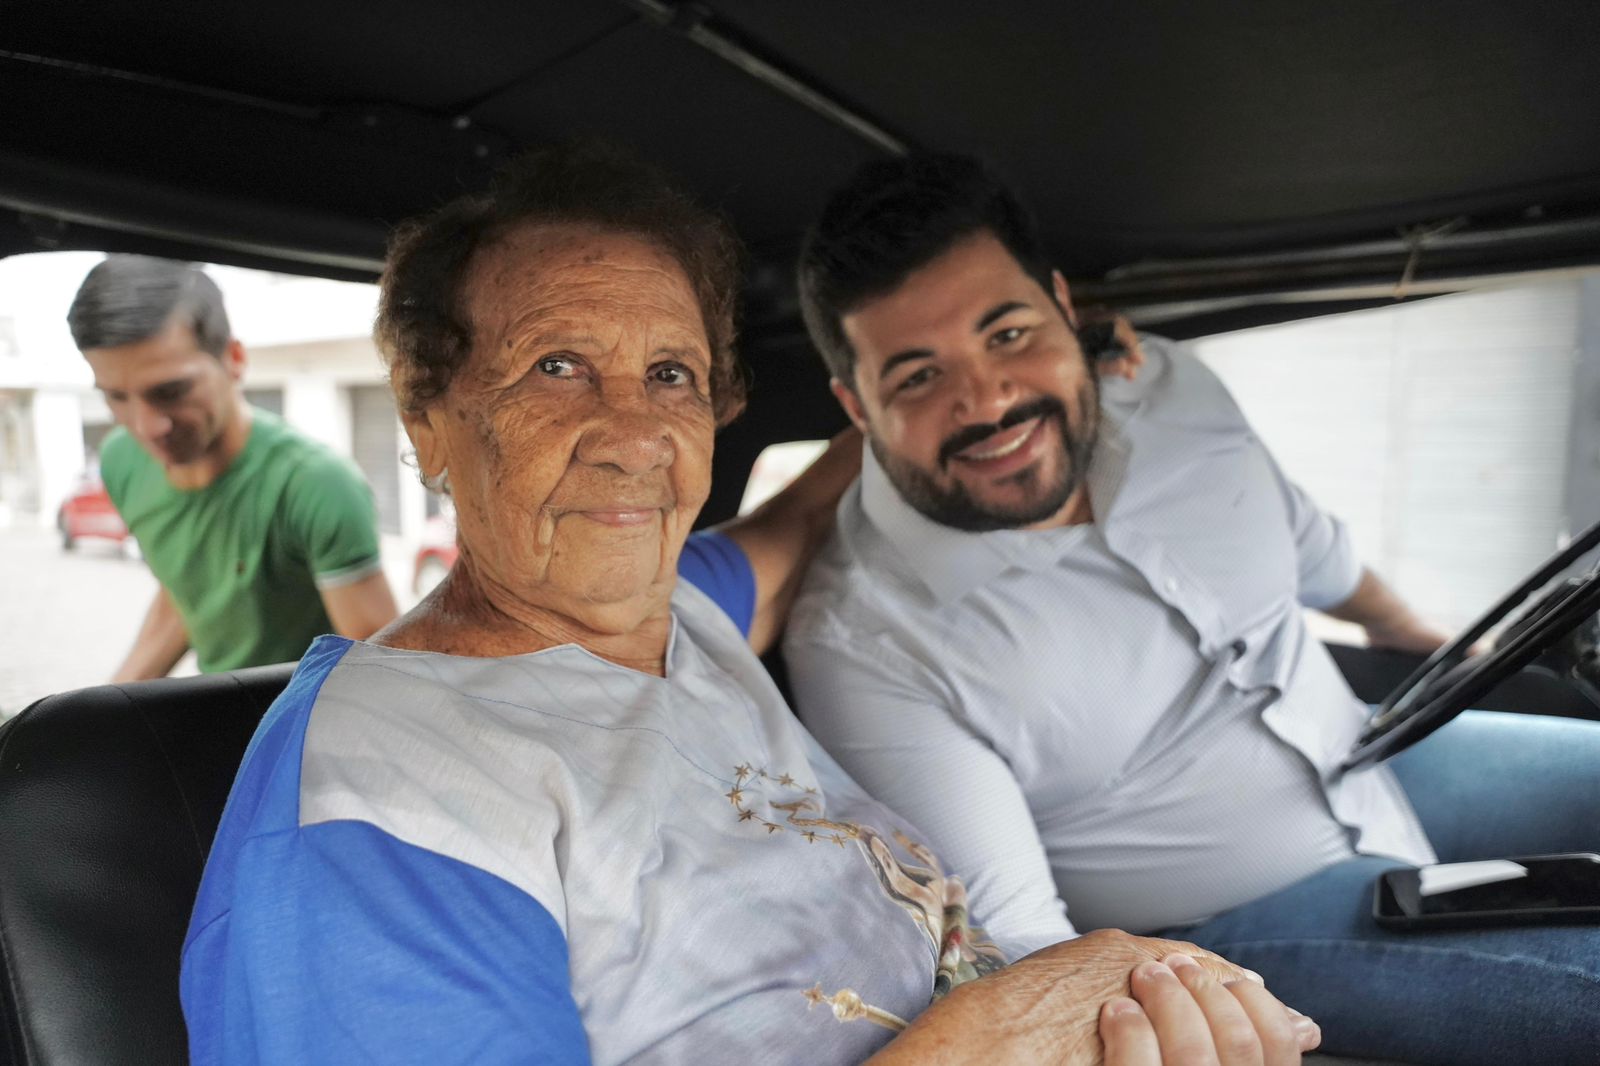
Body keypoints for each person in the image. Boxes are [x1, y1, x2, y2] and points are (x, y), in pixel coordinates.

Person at [179, 142, 1321, 1065]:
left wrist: (947, 407)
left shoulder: (688, 613)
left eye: (669, 376)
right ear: (427, 418)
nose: (634, 436)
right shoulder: (388, 784)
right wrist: (1003, 1032)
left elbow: (792, 525)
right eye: (556, 367)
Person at [782, 152, 1600, 1064]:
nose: (990, 399)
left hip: (1378, 748)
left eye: (1009, 333)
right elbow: (1024, 941)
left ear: (1064, 306)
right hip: (1233, 920)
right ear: (857, 406)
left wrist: (1412, 637)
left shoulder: (1167, 386)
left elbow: (1305, 541)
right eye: (918, 377)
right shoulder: (863, 642)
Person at [66, 256, 400, 677]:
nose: (148, 426)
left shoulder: (316, 484)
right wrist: (105, 709)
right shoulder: (121, 461)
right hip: (213, 712)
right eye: (116, 397)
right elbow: (186, 594)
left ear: (234, 359)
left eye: (171, 391)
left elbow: (377, 670)